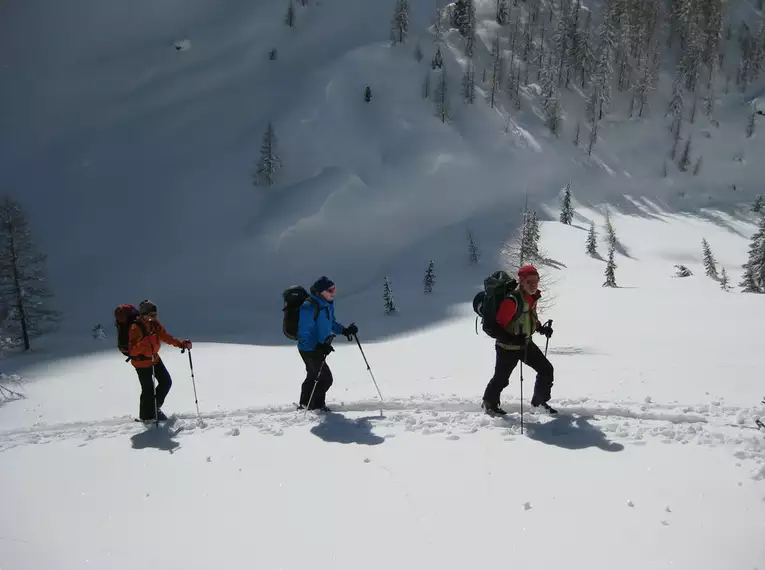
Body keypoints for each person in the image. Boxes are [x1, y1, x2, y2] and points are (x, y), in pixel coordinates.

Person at [481, 264, 556, 416]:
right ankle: (489, 404)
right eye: (529, 281)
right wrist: (513, 340)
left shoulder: (531, 298)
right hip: (506, 348)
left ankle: (539, 403)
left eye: (536, 281)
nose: (533, 285)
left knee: (546, 370)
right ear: (521, 281)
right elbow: (497, 328)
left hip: (525, 344)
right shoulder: (512, 301)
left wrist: (541, 328)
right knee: (501, 379)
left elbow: (528, 317)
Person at [297, 277, 357, 411]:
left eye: (334, 288)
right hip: (309, 349)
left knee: (313, 376)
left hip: (319, 348)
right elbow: (303, 333)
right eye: (330, 290)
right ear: (320, 292)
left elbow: (331, 323)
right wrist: (317, 346)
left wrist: (345, 330)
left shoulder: (327, 305)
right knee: (325, 378)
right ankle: (316, 407)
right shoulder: (309, 307)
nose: (333, 292)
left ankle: (305, 404)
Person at [128, 300, 192, 421]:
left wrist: (181, 344)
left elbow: (165, 336)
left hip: (154, 358)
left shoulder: (154, 324)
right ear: (143, 314)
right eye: (152, 315)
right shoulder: (135, 328)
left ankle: (154, 408)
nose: (154, 317)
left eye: (155, 315)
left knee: (166, 381)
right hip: (141, 363)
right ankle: (147, 416)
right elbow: (132, 351)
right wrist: (144, 342)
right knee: (148, 389)